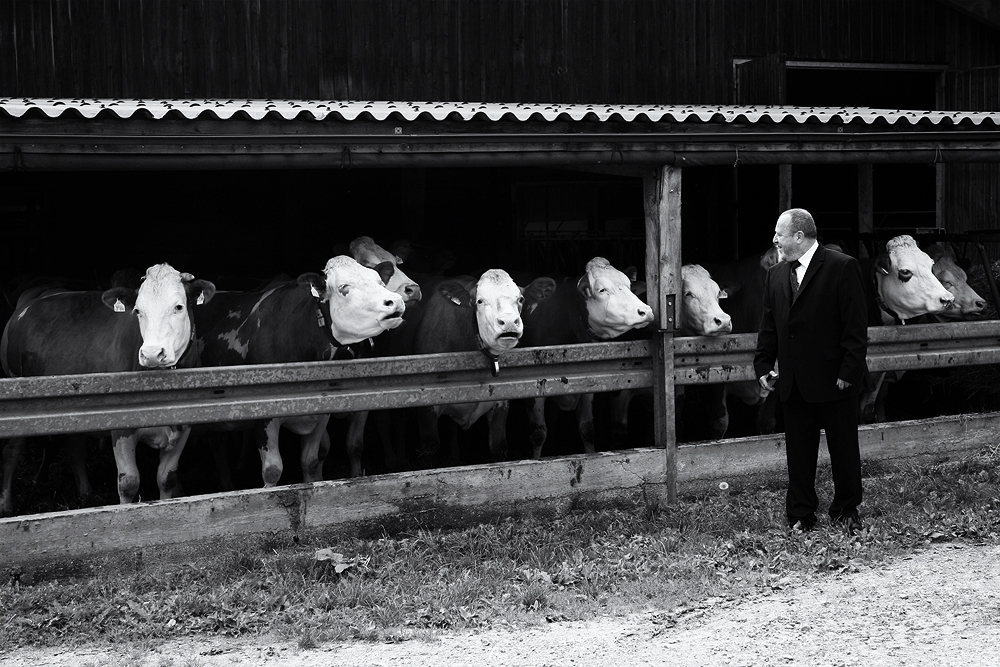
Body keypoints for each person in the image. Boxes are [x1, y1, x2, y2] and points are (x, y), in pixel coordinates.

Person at [754, 208, 868, 534]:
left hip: (836, 380)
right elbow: (769, 326)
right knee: (798, 455)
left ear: (799, 236)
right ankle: (801, 515)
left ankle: (847, 512)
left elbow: (856, 326)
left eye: (780, 233)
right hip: (793, 382)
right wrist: (763, 363)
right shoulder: (775, 274)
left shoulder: (841, 267)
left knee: (844, 450)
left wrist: (849, 370)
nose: (774, 239)